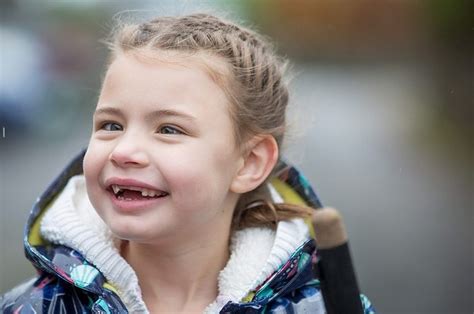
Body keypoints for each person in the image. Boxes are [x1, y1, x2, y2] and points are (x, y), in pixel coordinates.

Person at [1, 13, 376, 313]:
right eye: (111, 125)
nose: (123, 150)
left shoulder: (322, 307)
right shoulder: (34, 308)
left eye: (168, 129)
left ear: (249, 163)